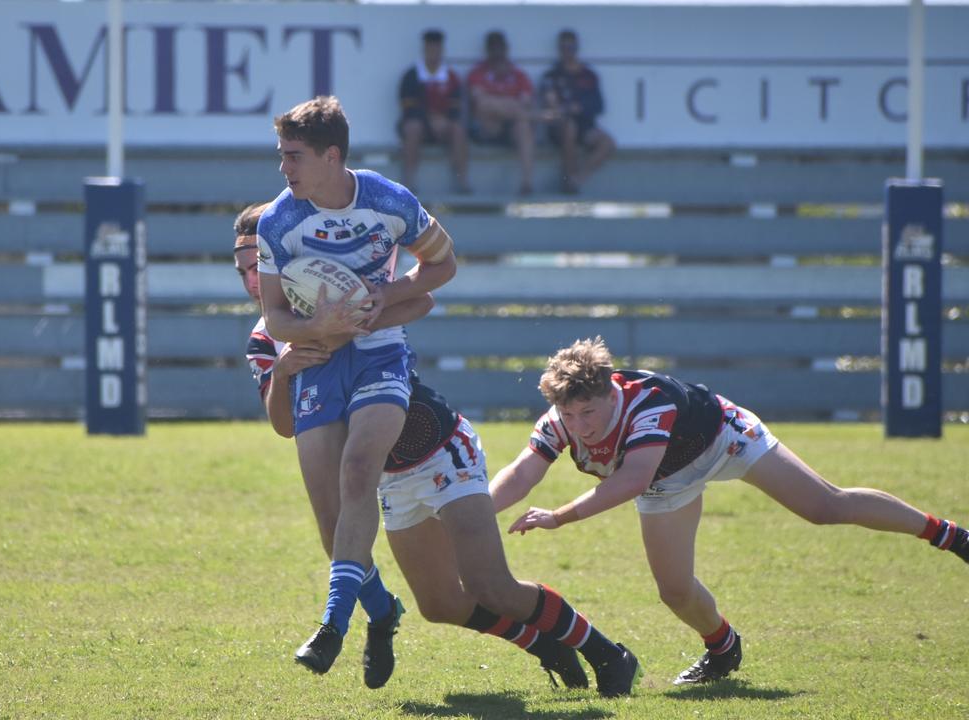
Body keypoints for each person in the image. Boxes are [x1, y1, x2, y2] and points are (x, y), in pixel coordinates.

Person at [235, 205, 641, 696]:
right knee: (440, 604)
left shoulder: (346, 295)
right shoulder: (266, 339)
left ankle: (606, 652)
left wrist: (343, 323)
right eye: (243, 271)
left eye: (259, 265)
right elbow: (283, 424)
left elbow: (422, 300)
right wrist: (284, 370)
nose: (253, 280)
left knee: (492, 587)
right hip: (389, 478)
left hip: (440, 450)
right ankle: (544, 645)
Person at [490, 336, 969, 685]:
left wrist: (558, 517)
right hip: (666, 476)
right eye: (569, 416)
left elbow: (630, 480)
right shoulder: (563, 417)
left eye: (588, 413)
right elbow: (522, 472)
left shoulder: (647, 403)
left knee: (824, 506)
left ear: (610, 390)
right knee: (674, 592)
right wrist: (466, 509)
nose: (580, 427)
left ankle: (951, 535)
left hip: (725, 439)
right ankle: (722, 647)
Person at [255, 96, 456, 677]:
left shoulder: (389, 200)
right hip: (319, 363)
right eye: (281, 156)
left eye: (293, 156)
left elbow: (442, 269)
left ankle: (331, 625)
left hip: (380, 356)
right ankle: (382, 609)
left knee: (358, 471)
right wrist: (318, 326)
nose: (284, 168)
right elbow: (274, 318)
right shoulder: (278, 220)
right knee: (332, 526)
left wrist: (381, 298)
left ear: (331, 155)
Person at [540, 30, 616, 194]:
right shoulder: (551, 75)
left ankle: (577, 179)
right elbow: (549, 105)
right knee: (569, 127)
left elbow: (599, 106)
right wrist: (565, 109)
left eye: (571, 47)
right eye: (564, 47)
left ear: (577, 48)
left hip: (585, 124)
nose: (568, 51)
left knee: (607, 142)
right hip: (559, 126)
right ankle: (567, 180)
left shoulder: (589, 75)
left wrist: (579, 107)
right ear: (559, 49)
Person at [397, 29, 471, 195]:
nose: (434, 53)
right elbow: (408, 108)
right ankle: (408, 183)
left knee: (458, 130)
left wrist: (445, 121)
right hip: (420, 127)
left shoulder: (451, 77)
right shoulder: (412, 75)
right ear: (424, 50)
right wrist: (430, 120)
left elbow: (456, 108)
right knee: (412, 128)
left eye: (437, 49)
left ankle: (462, 182)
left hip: (444, 127)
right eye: (430, 49)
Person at [466, 31, 537, 196]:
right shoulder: (478, 73)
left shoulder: (518, 75)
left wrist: (501, 106)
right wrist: (509, 105)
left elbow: (526, 102)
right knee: (488, 109)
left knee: (523, 126)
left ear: (506, 49)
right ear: (487, 50)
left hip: (512, 129)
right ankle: (536, 116)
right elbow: (480, 102)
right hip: (487, 128)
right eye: (493, 48)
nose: (497, 53)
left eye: (500, 48)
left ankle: (526, 183)